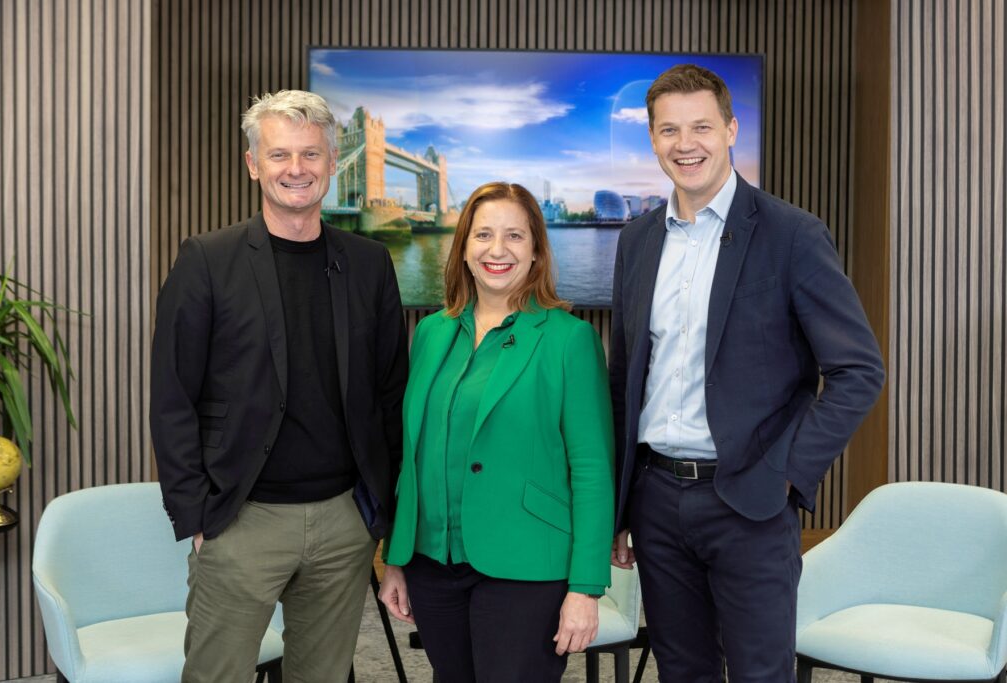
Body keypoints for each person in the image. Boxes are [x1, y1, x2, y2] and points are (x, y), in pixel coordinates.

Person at [609, 64, 885, 682]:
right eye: (669, 130)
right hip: (655, 499)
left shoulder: (792, 234)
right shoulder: (637, 240)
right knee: (683, 670)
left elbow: (859, 370)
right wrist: (621, 504)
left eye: (702, 126)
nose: (687, 144)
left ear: (731, 130)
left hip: (751, 503)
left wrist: (788, 474)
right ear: (652, 140)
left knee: (761, 672)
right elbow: (625, 378)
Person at [149, 89, 408, 683]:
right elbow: (172, 396)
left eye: (312, 154)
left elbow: (391, 393)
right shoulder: (206, 260)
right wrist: (196, 516)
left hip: (344, 521)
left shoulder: (369, 264)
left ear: (329, 159)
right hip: (241, 520)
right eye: (280, 155)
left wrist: (384, 517)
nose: (297, 169)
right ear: (252, 164)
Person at [378, 182, 614, 682]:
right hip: (432, 563)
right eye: (483, 234)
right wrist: (396, 558)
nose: (497, 249)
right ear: (463, 248)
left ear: (536, 251)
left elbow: (592, 470)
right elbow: (411, 456)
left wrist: (586, 587)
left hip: (527, 567)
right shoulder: (432, 332)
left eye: (514, 236)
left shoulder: (569, 340)